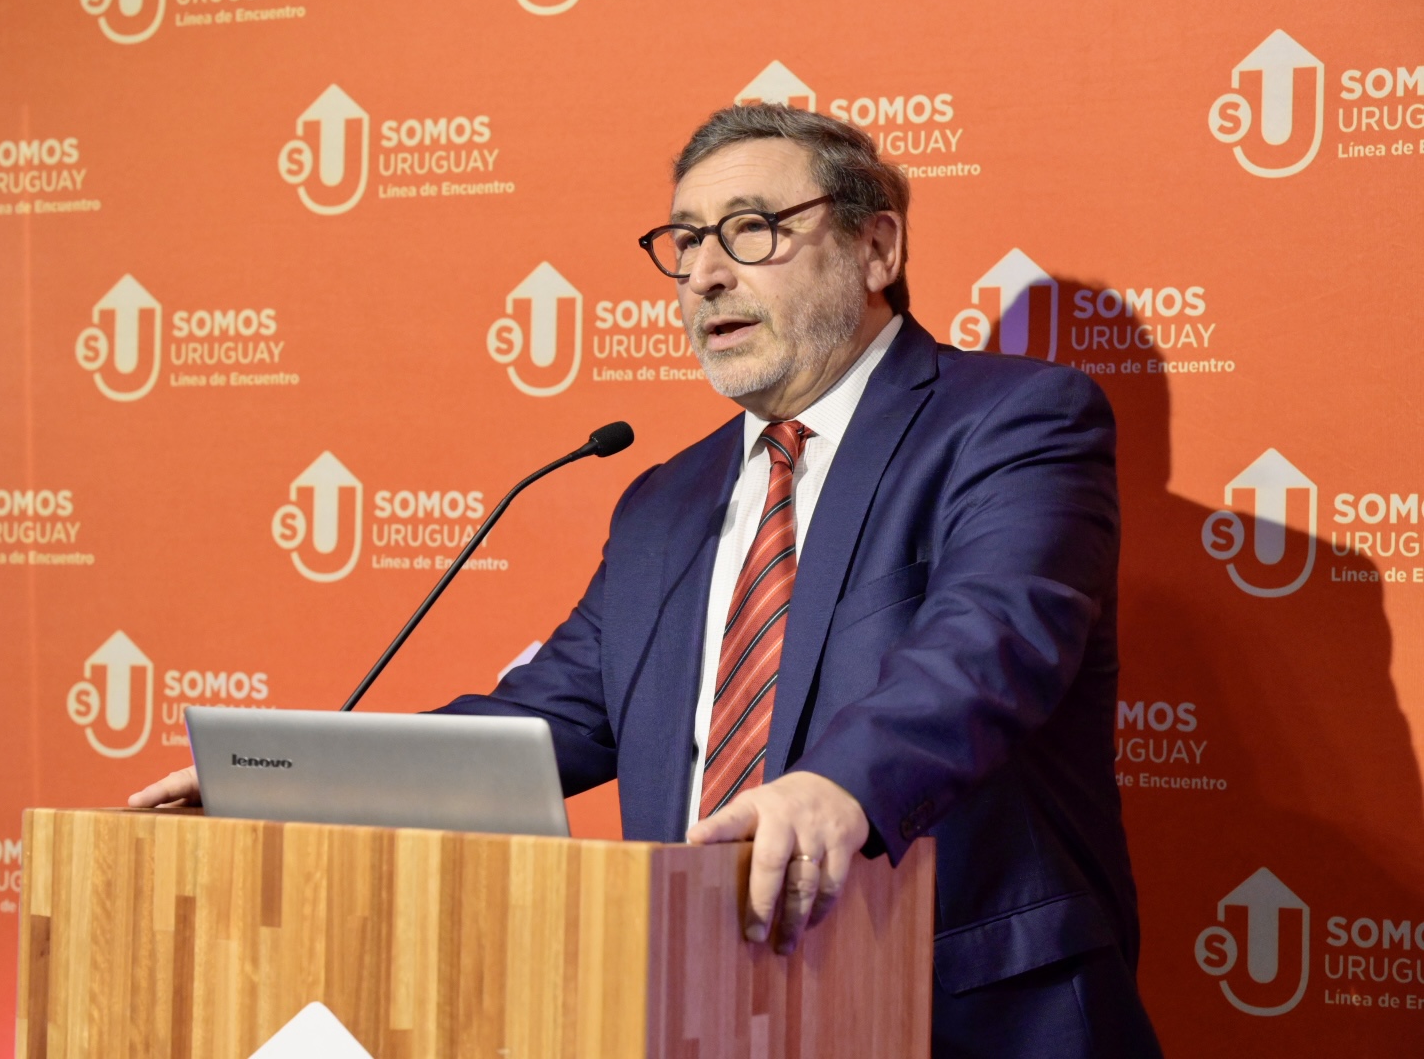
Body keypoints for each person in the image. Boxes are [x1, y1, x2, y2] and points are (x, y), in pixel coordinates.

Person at [132, 104, 1161, 1057]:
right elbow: (549, 718)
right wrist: (298, 781)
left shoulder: (1012, 422)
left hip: (959, 1012)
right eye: (687, 241)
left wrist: (840, 784)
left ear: (876, 247)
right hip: (705, 1011)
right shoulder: (667, 502)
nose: (705, 273)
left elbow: (991, 646)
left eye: (751, 229)